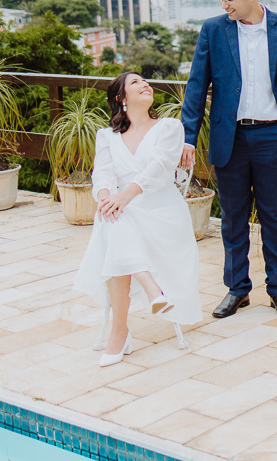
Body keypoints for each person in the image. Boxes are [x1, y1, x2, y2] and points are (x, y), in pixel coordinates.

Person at [180, 0, 277, 319]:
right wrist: (188, 138)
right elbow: (196, 87)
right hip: (230, 137)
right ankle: (237, 290)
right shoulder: (213, 30)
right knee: (233, 219)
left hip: (273, 136)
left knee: (274, 217)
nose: (224, 5)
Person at [74, 72, 201, 366]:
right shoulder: (106, 136)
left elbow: (159, 169)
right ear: (121, 98)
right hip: (123, 209)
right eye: (135, 83)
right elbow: (102, 174)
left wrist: (122, 198)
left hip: (161, 211)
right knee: (114, 218)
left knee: (114, 222)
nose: (145, 85)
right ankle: (151, 288)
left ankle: (119, 333)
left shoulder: (170, 127)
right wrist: (106, 197)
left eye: (146, 82)